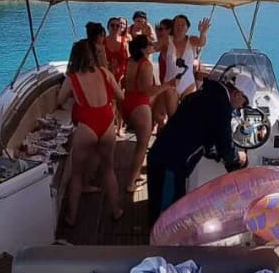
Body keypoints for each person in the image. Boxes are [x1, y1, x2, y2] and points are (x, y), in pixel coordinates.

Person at [147, 68, 255, 227]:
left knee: (163, 207)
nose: (241, 107)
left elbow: (204, 135)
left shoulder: (205, 94)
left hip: (163, 156)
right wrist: (239, 158)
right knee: (166, 217)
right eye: (244, 103)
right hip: (170, 165)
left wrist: (215, 152)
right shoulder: (221, 107)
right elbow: (226, 148)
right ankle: (159, 248)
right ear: (238, 93)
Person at [57, 39, 124, 226]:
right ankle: (116, 210)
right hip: (106, 123)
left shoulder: (72, 78)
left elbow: (60, 100)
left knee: (76, 175)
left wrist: (74, 102)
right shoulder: (105, 72)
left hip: (86, 126)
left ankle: (71, 217)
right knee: (108, 169)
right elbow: (120, 96)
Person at [122, 34, 182, 193]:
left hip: (127, 101)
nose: (152, 45)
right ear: (143, 49)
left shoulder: (130, 61)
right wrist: (168, 85)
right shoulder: (146, 65)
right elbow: (148, 90)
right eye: (149, 44)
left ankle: (135, 176)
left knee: (140, 144)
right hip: (139, 106)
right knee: (142, 145)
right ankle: (130, 183)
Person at [103, 16, 130, 84]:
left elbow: (129, 60)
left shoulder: (124, 41)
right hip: (106, 75)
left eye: (117, 26)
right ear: (108, 27)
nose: (115, 27)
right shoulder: (102, 42)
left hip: (121, 76)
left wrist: (126, 75)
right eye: (112, 25)